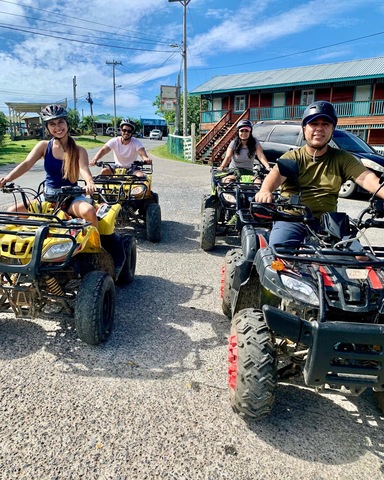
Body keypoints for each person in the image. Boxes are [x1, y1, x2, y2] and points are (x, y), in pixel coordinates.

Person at [255, 100, 384, 246]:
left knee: (361, 257)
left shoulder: (342, 158)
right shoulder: (293, 157)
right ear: (304, 129)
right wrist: (265, 190)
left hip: (329, 221)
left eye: (325, 124)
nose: (319, 129)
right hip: (293, 219)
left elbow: (368, 178)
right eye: (314, 124)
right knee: (279, 254)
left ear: (332, 130)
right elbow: (276, 175)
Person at [0, 104, 98, 227]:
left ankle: (96, 245)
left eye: (60, 122)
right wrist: (6, 179)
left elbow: (84, 169)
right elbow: (26, 164)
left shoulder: (79, 150)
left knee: (89, 211)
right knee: (12, 212)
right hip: (48, 198)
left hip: (72, 199)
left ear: (67, 123)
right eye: (52, 124)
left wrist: (89, 183)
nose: (57, 127)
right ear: (47, 127)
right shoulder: (44, 146)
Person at [217, 119, 271, 183]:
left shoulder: (255, 142)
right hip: (234, 171)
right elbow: (228, 157)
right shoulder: (234, 143)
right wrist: (222, 167)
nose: (244, 133)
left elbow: (261, 156)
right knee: (227, 182)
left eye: (246, 131)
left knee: (258, 183)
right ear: (238, 132)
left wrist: (268, 167)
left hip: (248, 172)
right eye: (241, 131)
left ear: (250, 132)